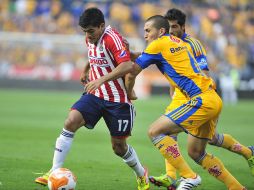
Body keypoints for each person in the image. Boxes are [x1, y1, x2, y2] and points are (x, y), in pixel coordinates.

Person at [125, 15, 246, 190]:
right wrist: (129, 54)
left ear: (160, 31)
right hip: (212, 98)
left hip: (200, 100)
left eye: (148, 30)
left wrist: (129, 92)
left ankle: (190, 177)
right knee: (196, 152)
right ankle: (236, 187)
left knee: (155, 131)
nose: (145, 35)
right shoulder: (178, 42)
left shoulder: (157, 44)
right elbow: (146, 56)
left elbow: (132, 71)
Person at [34, 7, 149, 190]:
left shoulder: (113, 39)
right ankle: (54, 171)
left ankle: (141, 173)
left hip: (117, 100)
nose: (87, 35)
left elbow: (127, 64)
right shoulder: (91, 37)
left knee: (119, 147)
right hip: (95, 95)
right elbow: (95, 53)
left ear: (102, 26)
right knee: (70, 121)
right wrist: (87, 69)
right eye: (85, 31)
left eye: (90, 31)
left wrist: (101, 80)